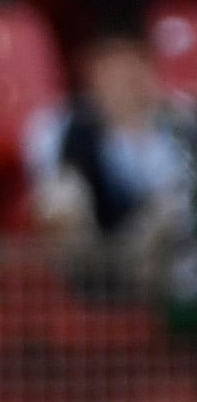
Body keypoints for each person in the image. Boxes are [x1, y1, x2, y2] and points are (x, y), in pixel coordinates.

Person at [23, 23, 197, 292]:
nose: (122, 78)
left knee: (171, 209)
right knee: (58, 197)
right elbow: (52, 188)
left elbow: (176, 189)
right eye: (111, 68)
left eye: (132, 65)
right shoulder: (57, 123)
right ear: (91, 72)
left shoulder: (180, 119)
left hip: (164, 253)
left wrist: (133, 130)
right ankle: (92, 284)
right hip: (94, 247)